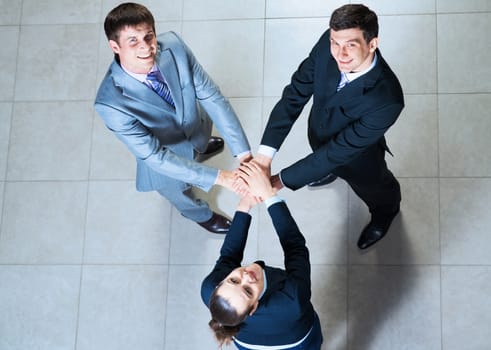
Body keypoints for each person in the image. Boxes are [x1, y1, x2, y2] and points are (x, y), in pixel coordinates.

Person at [252, 4, 404, 249]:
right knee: (323, 161)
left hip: (358, 159)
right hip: (320, 136)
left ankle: (385, 214)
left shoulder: (387, 100)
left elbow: (338, 152)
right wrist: (263, 157)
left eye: (350, 45)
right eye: (336, 42)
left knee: (376, 189)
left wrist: (277, 181)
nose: (340, 53)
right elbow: (295, 94)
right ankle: (325, 171)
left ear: (372, 44)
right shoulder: (328, 44)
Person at [94, 3, 251, 233]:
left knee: (198, 144)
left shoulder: (174, 46)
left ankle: (199, 149)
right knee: (181, 193)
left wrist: (244, 155)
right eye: (133, 41)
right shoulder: (110, 103)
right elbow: (156, 157)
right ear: (115, 46)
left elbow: (212, 98)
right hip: (165, 160)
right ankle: (203, 216)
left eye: (149, 36)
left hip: (195, 127)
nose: (146, 47)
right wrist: (223, 178)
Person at [201, 162, 323, 349]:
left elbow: (228, 257)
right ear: (255, 307)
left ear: (220, 283)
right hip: (297, 341)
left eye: (233, 280)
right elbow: (295, 248)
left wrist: (244, 205)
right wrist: (269, 196)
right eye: (248, 291)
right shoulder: (292, 301)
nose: (246, 276)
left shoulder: (209, 289)